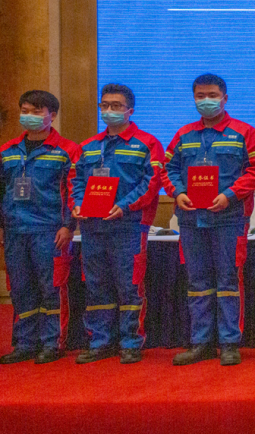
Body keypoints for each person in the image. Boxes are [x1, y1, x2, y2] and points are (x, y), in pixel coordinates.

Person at [163, 74, 255, 366]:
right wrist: (177, 192)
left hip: (229, 218)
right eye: (200, 96)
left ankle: (229, 343)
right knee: (197, 282)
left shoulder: (244, 132)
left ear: (225, 98)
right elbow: (167, 169)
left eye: (212, 95)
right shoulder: (183, 134)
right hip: (191, 219)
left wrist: (231, 195)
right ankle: (201, 343)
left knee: (228, 281)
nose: (206, 101)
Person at [70, 83, 165, 365]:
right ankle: (100, 341)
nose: (109, 110)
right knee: (96, 285)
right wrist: (78, 203)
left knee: (129, 286)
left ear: (130, 110)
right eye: (105, 105)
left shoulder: (147, 144)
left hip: (128, 226)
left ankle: (130, 342)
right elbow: (76, 180)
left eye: (116, 106)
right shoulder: (88, 146)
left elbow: (151, 183)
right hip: (92, 227)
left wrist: (124, 206)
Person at [0, 90, 81, 365]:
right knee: (20, 288)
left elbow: (74, 191)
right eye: (25, 111)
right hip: (15, 230)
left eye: (36, 111)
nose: (29, 116)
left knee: (52, 288)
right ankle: (25, 342)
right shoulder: (7, 150)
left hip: (50, 231)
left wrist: (68, 226)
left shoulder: (67, 150)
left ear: (51, 115)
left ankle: (52, 342)